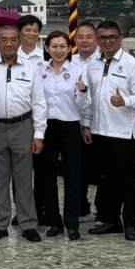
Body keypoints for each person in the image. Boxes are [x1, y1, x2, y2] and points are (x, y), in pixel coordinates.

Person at [0, 25, 46, 243]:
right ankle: (0, 224)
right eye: (4, 40)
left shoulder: (30, 67)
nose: (8, 44)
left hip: (22, 126)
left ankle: (27, 223)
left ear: (19, 42)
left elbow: (39, 101)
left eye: (13, 40)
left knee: (24, 178)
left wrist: (39, 134)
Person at [79, 21, 135, 241]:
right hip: (99, 130)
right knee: (106, 179)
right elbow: (89, 98)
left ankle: (130, 223)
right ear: (98, 40)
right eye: (103, 37)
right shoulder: (93, 65)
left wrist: (124, 101)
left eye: (112, 37)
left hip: (122, 132)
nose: (107, 41)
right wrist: (87, 123)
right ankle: (111, 220)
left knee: (127, 179)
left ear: (120, 39)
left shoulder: (131, 64)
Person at [40, 31, 91, 240]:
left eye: (63, 46)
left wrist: (82, 91)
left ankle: (72, 222)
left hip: (70, 125)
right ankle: (54, 221)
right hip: (46, 127)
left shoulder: (79, 70)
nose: (59, 51)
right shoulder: (40, 71)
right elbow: (35, 100)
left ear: (69, 48)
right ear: (47, 48)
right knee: (47, 176)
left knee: (72, 176)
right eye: (54, 46)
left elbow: (84, 104)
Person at [16, 14, 47, 225]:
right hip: (19, 120)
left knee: (41, 169)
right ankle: (21, 211)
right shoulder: (10, 55)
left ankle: (40, 209)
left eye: (35, 30)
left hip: (42, 118)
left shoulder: (44, 58)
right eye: (27, 30)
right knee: (19, 172)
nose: (32, 34)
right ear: (19, 33)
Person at [74, 21, 100, 218]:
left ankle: (104, 208)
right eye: (80, 37)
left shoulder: (103, 60)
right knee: (78, 167)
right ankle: (80, 204)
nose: (84, 41)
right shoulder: (69, 61)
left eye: (88, 36)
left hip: (101, 122)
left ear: (97, 39)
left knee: (102, 168)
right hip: (76, 122)